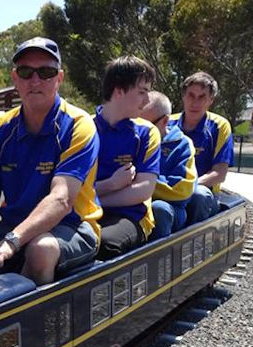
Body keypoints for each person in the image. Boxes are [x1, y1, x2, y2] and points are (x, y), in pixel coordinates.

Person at [0, 37, 101, 285]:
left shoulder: (78, 125)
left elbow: (62, 200)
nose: (35, 80)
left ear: (59, 78)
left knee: (40, 250)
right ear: (15, 78)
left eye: (46, 72)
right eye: (26, 72)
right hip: (15, 225)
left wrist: (11, 241)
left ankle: (37, 322)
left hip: (73, 226)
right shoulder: (0, 129)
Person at [93, 56, 160, 259]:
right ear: (118, 90)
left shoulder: (147, 133)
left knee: (104, 244)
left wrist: (92, 200)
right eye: (142, 92)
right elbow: (68, 189)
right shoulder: (83, 129)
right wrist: (112, 185)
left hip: (131, 215)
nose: (147, 101)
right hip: (85, 212)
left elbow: (142, 190)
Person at [168, 72, 233, 224]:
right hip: (168, 187)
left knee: (198, 196)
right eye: (191, 95)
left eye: (202, 97)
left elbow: (219, 173)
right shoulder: (167, 123)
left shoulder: (219, 126)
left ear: (211, 100)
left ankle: (195, 244)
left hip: (201, 189)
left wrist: (186, 186)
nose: (195, 102)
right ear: (183, 96)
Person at [139, 91, 198, 238]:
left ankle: (157, 259)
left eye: (146, 125)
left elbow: (183, 189)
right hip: (135, 201)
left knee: (159, 209)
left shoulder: (183, 145)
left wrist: (143, 184)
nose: (139, 131)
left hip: (171, 207)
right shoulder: (135, 140)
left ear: (164, 121)